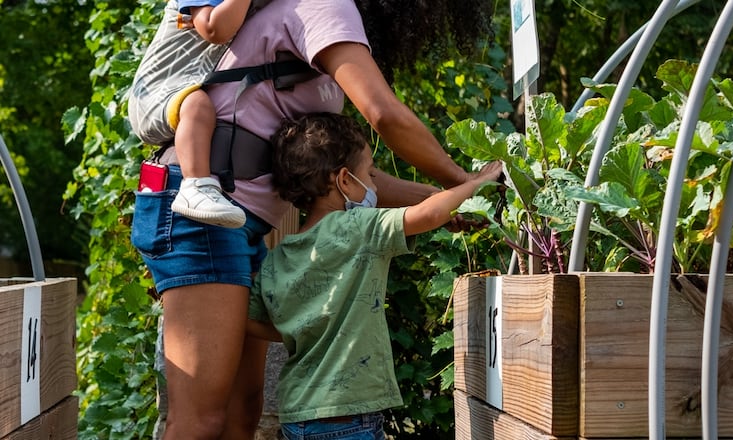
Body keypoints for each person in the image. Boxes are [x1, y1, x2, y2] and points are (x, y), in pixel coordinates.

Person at [130, 0, 496, 438]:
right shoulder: (322, 4)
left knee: (240, 416)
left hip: (237, 221)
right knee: (201, 421)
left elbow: (350, 175)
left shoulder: (311, 33)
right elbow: (383, 114)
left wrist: (447, 201)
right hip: (199, 211)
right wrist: (466, 178)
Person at [247, 112, 503, 439]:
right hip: (349, 416)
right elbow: (431, 213)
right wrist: (477, 182)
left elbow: (248, 319)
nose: (375, 186)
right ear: (343, 181)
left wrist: (303, 325)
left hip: (298, 415)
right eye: (370, 174)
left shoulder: (280, 255)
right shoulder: (359, 227)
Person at [129, 0, 264, 229]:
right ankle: (196, 187)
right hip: (160, 87)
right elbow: (214, 28)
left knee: (198, 105)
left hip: (188, 79)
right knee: (198, 106)